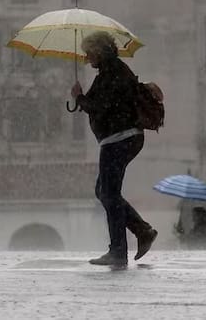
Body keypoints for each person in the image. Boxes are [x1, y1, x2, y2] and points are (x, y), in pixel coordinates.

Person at [72, 31, 158, 267]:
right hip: (119, 139)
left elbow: (99, 106)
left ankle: (119, 251)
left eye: (89, 52)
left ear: (99, 50)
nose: (87, 58)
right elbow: (97, 104)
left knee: (108, 193)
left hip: (120, 138)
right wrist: (81, 99)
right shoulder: (109, 72)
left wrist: (79, 97)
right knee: (104, 191)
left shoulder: (113, 73)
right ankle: (142, 231)